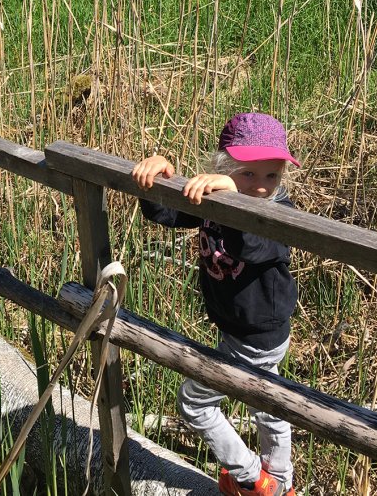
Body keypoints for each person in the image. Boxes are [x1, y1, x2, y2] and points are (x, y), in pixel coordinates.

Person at [131, 112, 300, 496]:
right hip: (241, 331)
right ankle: (281, 485)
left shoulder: (282, 215)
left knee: (194, 402)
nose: (260, 187)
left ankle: (252, 478)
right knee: (267, 405)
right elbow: (169, 212)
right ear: (223, 167)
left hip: (259, 335)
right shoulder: (216, 196)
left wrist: (231, 195)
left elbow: (253, 246)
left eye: (271, 176)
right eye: (248, 175)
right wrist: (157, 179)